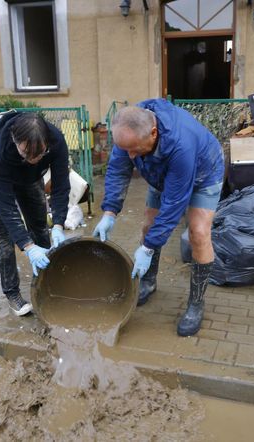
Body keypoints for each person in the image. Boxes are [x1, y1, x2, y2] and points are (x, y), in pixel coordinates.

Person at [93, 99, 224, 336]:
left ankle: (196, 303)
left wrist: (148, 248)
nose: (130, 156)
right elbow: (117, 169)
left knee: (199, 233)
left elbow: (174, 205)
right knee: (148, 226)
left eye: (134, 149)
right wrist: (109, 212)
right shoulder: (130, 129)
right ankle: (149, 281)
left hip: (203, 174)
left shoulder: (181, 145)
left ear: (153, 133)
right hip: (161, 171)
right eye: (126, 150)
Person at [0, 111, 70, 316]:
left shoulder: (56, 141)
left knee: (40, 226)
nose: (34, 159)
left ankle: (46, 283)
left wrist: (60, 224)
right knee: (2, 232)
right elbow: (6, 206)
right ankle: (12, 293)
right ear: (14, 139)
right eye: (27, 154)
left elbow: (61, 186)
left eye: (40, 154)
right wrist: (27, 247)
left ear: (47, 142)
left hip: (30, 178)